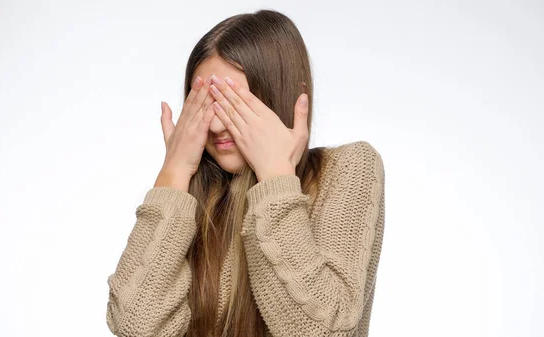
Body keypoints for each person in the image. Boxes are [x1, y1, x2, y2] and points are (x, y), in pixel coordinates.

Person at [105, 9, 386, 337]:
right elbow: (134, 328)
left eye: (234, 102)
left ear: (286, 96)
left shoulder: (347, 168)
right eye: (207, 102)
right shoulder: (191, 197)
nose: (217, 124)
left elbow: (323, 331)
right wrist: (174, 173)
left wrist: (275, 177)